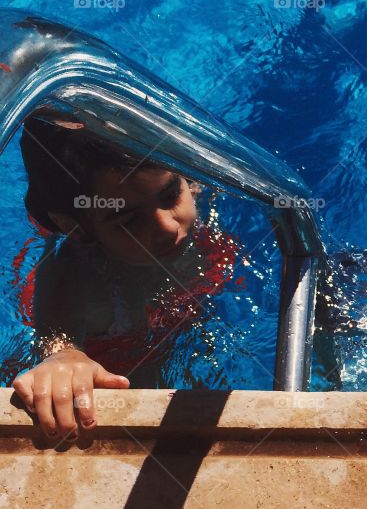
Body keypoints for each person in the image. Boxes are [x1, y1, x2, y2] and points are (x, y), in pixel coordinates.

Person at [11, 107, 238, 440]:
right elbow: (57, 338)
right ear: (76, 228)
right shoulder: (77, 277)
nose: (166, 226)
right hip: (120, 350)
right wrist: (64, 359)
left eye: (171, 194)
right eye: (129, 221)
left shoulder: (194, 187)